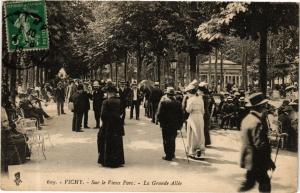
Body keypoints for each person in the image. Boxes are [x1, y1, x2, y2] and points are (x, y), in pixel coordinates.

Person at [238, 92, 275, 193]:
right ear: (259, 107)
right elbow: (260, 144)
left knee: (248, 185)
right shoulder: (257, 122)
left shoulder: (247, 119)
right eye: (264, 106)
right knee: (265, 184)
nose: (265, 108)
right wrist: (269, 160)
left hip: (249, 159)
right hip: (257, 160)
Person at [97, 85, 125, 168]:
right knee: (117, 142)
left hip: (108, 125)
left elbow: (102, 115)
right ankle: (118, 161)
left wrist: (104, 122)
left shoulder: (105, 102)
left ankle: (107, 161)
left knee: (105, 141)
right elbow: (122, 113)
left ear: (108, 93)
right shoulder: (119, 101)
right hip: (117, 125)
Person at [156, 87, 183, 161]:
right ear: (173, 94)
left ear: (167, 94)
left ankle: (168, 155)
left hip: (165, 125)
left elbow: (159, 113)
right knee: (172, 139)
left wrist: (159, 121)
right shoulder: (178, 103)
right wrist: (180, 125)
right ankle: (172, 153)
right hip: (174, 125)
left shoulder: (163, 102)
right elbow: (181, 115)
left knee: (166, 140)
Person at [185, 84, 205, 158]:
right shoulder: (200, 99)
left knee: (192, 133)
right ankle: (200, 150)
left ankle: (192, 151)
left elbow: (188, 110)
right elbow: (203, 110)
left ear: (190, 92)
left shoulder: (190, 100)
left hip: (193, 116)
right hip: (200, 116)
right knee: (200, 133)